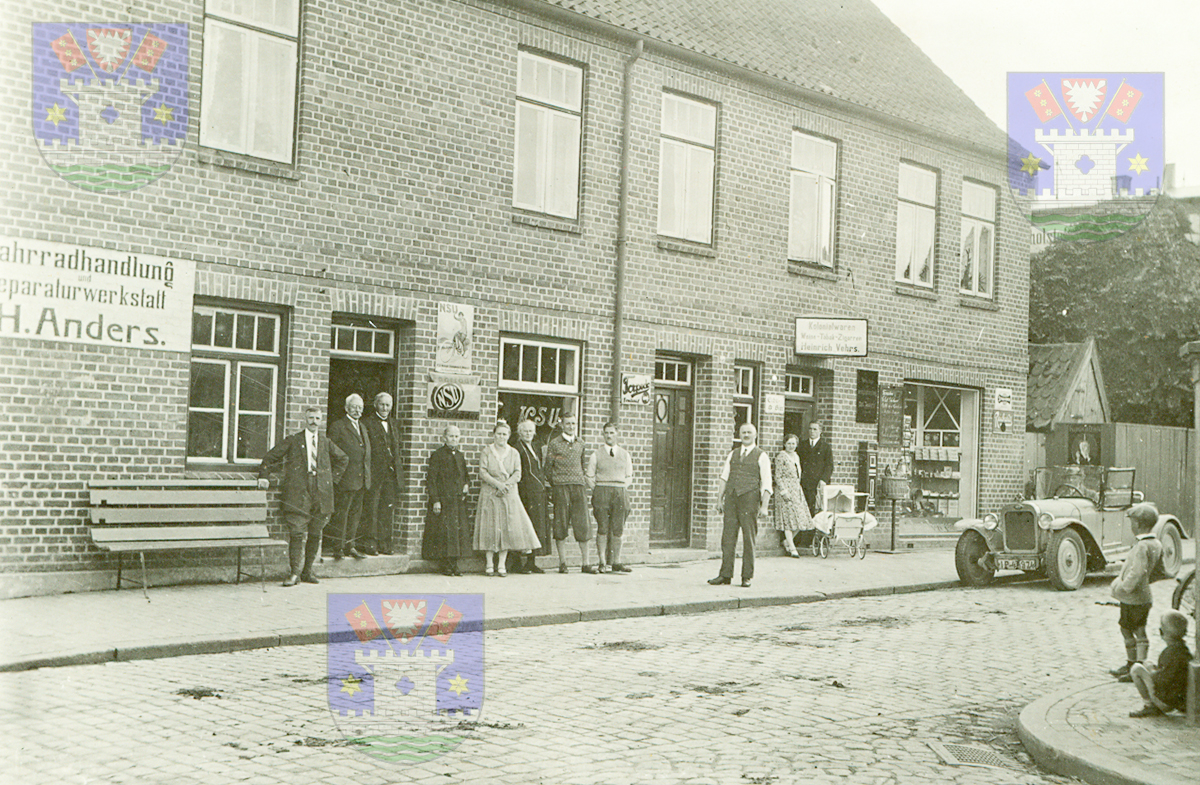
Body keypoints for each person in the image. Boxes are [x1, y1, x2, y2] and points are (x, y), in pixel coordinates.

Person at [257, 407, 348, 586]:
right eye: (310, 418)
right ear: (305, 419)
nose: (314, 421)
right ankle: (294, 573)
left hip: (321, 493)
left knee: (315, 532)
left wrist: (332, 479)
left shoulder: (325, 442)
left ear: (321, 420)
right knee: (297, 533)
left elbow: (343, 459)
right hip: (299, 492)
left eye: (317, 418)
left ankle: (308, 571)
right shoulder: (294, 440)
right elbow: (270, 457)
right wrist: (263, 476)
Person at [473, 421, 541, 576]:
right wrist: (497, 484)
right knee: (490, 527)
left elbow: (518, 473)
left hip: (508, 493)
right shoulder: (487, 451)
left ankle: (502, 565)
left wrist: (505, 485)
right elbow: (483, 472)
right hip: (490, 492)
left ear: (509, 436)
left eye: (504, 434)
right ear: (494, 435)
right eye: (498, 434)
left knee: (506, 527)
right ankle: (490, 564)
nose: (501, 437)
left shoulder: (514, 452)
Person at [709, 423, 772, 588]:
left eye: (749, 432)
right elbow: (724, 477)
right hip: (731, 499)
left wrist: (764, 506)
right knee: (728, 538)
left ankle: (746, 576)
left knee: (748, 538)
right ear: (739, 434)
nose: (746, 435)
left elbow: (767, 483)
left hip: (750, 499)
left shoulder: (761, 456)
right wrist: (719, 499)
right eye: (743, 432)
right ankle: (725, 574)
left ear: (755, 435)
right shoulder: (733, 454)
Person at [1108, 503, 1164, 682]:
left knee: (1136, 630)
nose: (1131, 526)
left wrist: (1123, 587)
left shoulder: (1142, 546)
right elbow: (1158, 571)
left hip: (1134, 598)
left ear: (1139, 524)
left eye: (1132, 522)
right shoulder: (1155, 543)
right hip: (1141, 597)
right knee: (1129, 628)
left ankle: (1137, 666)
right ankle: (1132, 663)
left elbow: (1138, 571)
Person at [546, 412, 593, 573]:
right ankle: (563, 563)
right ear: (562, 425)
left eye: (573, 423)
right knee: (561, 524)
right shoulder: (554, 444)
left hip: (578, 487)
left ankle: (585, 563)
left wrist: (579, 481)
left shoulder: (581, 443)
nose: (571, 426)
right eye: (568, 424)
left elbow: (582, 464)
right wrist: (557, 483)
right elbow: (548, 468)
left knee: (583, 524)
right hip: (561, 487)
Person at [423, 425, 472, 576]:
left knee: (457, 533)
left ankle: (455, 565)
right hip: (444, 500)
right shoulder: (438, 455)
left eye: (457, 436)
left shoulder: (460, 455)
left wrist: (466, 485)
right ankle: (445, 565)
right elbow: (431, 480)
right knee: (445, 533)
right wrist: (436, 500)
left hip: (457, 500)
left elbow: (465, 475)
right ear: (444, 438)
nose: (454, 439)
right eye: (451, 436)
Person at [328, 393, 372, 559]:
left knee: (355, 514)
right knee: (342, 514)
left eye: (360, 407)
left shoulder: (362, 426)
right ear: (346, 408)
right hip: (345, 479)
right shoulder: (338, 426)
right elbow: (331, 451)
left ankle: (350, 546)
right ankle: (337, 548)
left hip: (361, 479)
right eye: (354, 407)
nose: (357, 410)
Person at [586, 421, 633, 573]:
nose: (609, 435)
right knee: (603, 528)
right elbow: (589, 476)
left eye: (612, 432)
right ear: (603, 434)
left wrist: (621, 488)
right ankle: (602, 562)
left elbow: (629, 475)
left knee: (618, 528)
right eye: (606, 433)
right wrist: (599, 489)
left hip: (620, 492)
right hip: (602, 492)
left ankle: (617, 562)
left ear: (617, 434)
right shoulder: (596, 454)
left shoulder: (625, 455)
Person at [1128, 609, 1192, 717]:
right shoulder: (1184, 650)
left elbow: (1161, 681)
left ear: (1161, 632)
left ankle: (1149, 706)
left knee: (1136, 668)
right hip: (1180, 700)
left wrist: (1152, 670)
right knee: (1148, 664)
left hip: (1168, 703)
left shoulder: (1169, 653)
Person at [362, 392, 400, 556]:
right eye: (382, 405)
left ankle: (385, 543)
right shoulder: (367, 423)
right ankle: (370, 543)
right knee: (372, 508)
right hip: (375, 473)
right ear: (376, 405)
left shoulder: (393, 423)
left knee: (387, 508)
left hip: (390, 474)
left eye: (388, 405)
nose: (385, 408)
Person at [513, 419, 549, 574]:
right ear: (520, 432)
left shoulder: (536, 446)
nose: (528, 434)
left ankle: (531, 562)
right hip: (524, 490)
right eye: (525, 431)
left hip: (538, 491)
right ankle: (516, 563)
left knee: (536, 525)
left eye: (530, 431)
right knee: (522, 525)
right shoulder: (517, 448)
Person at [772, 434, 812, 557]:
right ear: (785, 444)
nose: (791, 446)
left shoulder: (796, 456)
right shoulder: (781, 456)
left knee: (802, 518)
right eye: (789, 443)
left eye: (793, 444)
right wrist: (784, 491)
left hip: (796, 489)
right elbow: (777, 476)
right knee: (789, 519)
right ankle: (792, 547)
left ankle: (786, 542)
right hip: (785, 491)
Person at [797, 422, 833, 542]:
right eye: (810, 429)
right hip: (804, 483)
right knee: (804, 509)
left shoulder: (825, 447)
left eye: (815, 429)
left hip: (817, 484)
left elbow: (829, 466)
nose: (812, 431)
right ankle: (802, 539)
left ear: (820, 431)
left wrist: (823, 480)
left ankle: (812, 539)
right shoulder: (802, 445)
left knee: (815, 510)